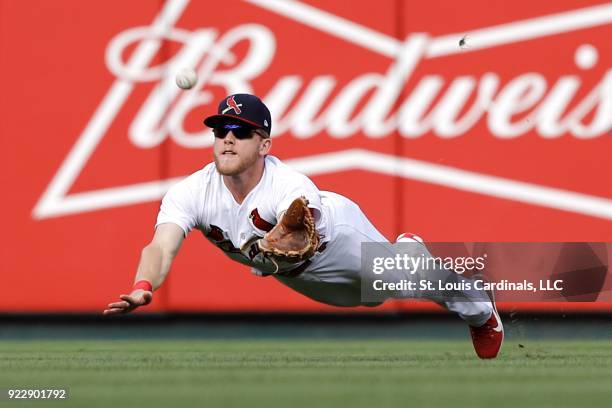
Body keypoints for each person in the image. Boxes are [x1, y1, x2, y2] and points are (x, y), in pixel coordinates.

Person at [103, 93, 504, 359]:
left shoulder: (287, 183)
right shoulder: (191, 192)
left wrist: (284, 236)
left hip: (338, 239)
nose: (227, 139)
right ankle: (407, 252)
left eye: (241, 131)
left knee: (403, 283)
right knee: (368, 302)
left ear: (264, 145)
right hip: (295, 275)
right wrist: (143, 286)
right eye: (220, 130)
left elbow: (301, 226)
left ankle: (478, 311)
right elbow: (161, 246)